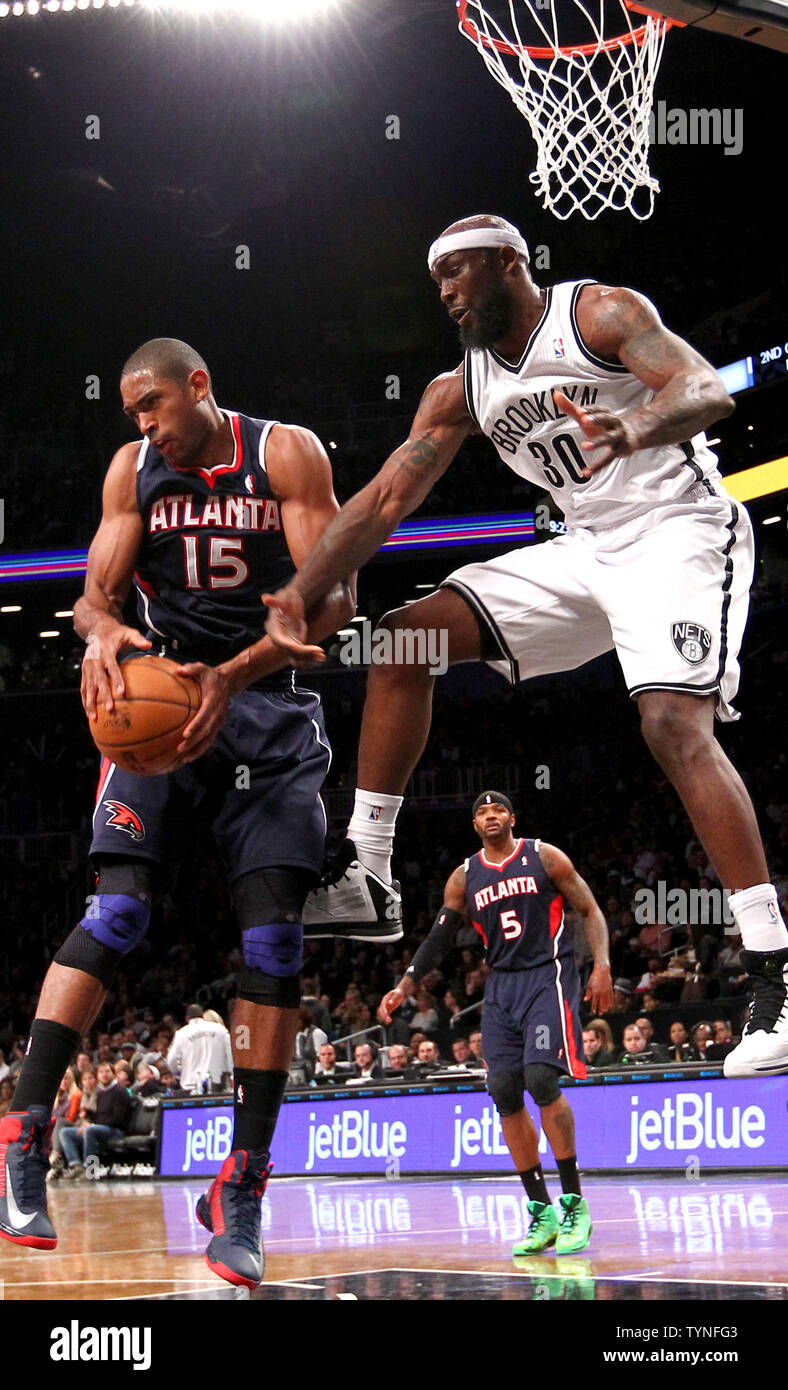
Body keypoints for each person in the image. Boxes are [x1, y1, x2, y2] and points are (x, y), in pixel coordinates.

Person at [265, 213, 787, 1080]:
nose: (444, 292)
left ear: (510, 263)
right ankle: (369, 868)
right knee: (404, 642)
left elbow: (703, 389)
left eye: (457, 274)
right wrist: (298, 586)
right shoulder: (459, 389)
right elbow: (385, 500)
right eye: (437, 282)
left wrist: (635, 427)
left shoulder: (599, 315)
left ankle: (774, 971)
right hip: (585, 549)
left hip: (676, 530)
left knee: (668, 723)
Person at [0, 338, 354, 1288]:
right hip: (157, 703)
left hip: (267, 708)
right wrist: (104, 632)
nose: (143, 422)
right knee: (116, 913)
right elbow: (92, 598)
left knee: (275, 944)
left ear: (200, 385)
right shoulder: (133, 470)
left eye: (153, 403)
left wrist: (232, 680)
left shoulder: (286, 454)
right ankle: (25, 1139)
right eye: (132, 412)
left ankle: (241, 1188)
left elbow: (335, 599)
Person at [379, 792, 613, 1256]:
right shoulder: (464, 877)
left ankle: (573, 1204)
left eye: (498, 810)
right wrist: (405, 985)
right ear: (474, 824)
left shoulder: (544, 856)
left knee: (542, 1079)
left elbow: (589, 909)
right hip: (501, 986)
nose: (491, 816)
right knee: (504, 1092)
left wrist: (602, 965)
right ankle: (541, 1213)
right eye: (482, 812)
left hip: (548, 973)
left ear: (512, 818)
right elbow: (440, 937)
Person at [59, 1060, 132, 1180]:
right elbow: (100, 1116)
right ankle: (76, 1166)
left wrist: (92, 1125)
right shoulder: (102, 1093)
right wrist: (89, 1116)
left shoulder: (120, 1091)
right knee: (65, 1132)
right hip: (101, 1128)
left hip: (117, 1130)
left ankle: (90, 1168)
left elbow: (118, 1118)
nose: (104, 1074)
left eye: (107, 1071)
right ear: (98, 1076)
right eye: (101, 1072)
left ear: (113, 1074)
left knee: (90, 1131)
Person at [167, 1004, 233, 1095]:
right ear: (202, 1016)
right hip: (218, 1084)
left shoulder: (182, 1033)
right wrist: (231, 1075)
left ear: (187, 1019)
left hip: (190, 1085)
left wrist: (178, 1070)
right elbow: (230, 1055)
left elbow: (171, 1060)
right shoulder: (220, 1030)